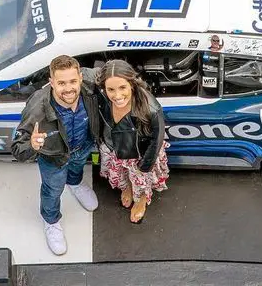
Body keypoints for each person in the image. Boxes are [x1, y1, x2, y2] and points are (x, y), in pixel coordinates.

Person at [10, 55, 101, 256]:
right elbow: (17, 147)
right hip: (54, 157)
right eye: (61, 83)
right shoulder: (37, 106)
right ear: (51, 82)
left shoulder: (91, 83)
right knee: (52, 190)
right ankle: (51, 221)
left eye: (72, 81)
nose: (68, 88)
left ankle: (75, 184)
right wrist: (32, 145)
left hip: (83, 147)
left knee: (77, 168)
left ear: (80, 77)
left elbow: (115, 73)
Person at [97, 60, 168, 224]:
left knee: (139, 177)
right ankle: (127, 187)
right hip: (115, 148)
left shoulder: (151, 108)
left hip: (139, 153)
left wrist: (145, 165)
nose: (117, 95)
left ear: (132, 84)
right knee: (123, 174)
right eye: (111, 89)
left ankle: (141, 198)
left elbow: (157, 140)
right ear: (104, 88)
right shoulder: (102, 97)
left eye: (122, 87)